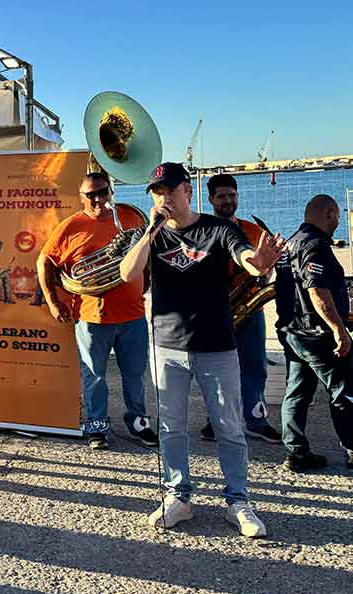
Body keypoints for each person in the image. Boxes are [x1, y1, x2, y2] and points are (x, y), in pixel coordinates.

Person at [120, 163, 284, 538]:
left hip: (216, 345)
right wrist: (151, 230)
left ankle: (238, 502)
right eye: (157, 192)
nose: (164, 198)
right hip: (167, 347)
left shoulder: (217, 228)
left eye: (170, 190)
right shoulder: (151, 234)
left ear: (188, 191)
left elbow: (244, 255)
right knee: (171, 428)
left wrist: (257, 263)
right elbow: (128, 274)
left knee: (229, 427)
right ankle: (178, 497)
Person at [38, 171, 158, 451]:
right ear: (81, 198)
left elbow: (148, 254)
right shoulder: (70, 227)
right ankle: (96, 427)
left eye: (103, 191)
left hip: (133, 314)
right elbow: (44, 262)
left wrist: (146, 281)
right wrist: (53, 302)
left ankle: (139, 423)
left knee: (136, 375)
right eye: (90, 195)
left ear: (111, 191)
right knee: (94, 377)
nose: (98, 199)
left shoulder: (131, 216)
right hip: (92, 317)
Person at [199, 174, 282, 443]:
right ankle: (216, 421)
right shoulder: (201, 231)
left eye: (232, 195)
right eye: (222, 196)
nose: (228, 201)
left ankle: (256, 420)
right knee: (217, 372)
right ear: (211, 199)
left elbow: (266, 274)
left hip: (251, 309)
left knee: (255, 368)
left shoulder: (254, 231)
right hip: (214, 312)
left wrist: (265, 272)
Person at [274, 194, 353, 471]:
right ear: (330, 213)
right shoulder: (315, 244)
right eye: (338, 217)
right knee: (344, 390)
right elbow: (316, 290)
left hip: (293, 331)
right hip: (317, 335)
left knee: (297, 392)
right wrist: (339, 329)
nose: (338, 222)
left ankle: (296, 452)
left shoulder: (290, 243)